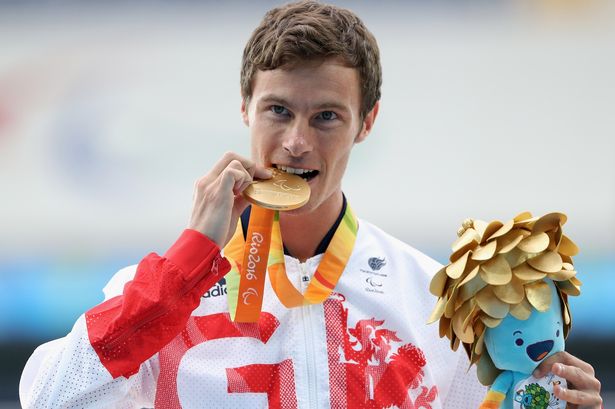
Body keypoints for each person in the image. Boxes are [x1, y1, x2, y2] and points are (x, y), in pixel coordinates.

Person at [20, 1, 602, 408]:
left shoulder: (433, 304)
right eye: (279, 110)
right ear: (245, 107)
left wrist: (552, 401)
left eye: (326, 116)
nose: (297, 142)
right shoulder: (153, 297)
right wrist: (187, 263)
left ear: (366, 123)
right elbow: (50, 399)